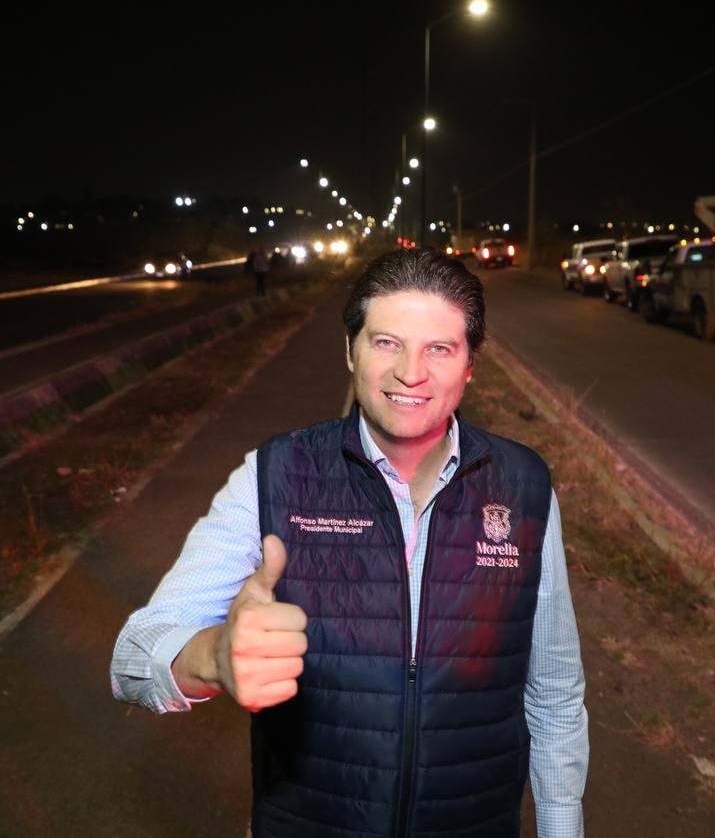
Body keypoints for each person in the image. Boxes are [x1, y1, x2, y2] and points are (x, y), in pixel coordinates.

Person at [111, 247, 589, 837]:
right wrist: (212, 657)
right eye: (386, 342)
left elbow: (555, 696)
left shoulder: (524, 485)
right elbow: (132, 660)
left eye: (439, 349)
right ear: (350, 350)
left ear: (470, 364)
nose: (410, 372)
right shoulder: (275, 476)